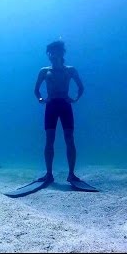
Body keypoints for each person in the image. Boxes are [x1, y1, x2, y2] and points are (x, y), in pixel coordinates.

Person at [34, 40, 84, 186]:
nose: (51, 55)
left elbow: (81, 87)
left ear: (61, 52)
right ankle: (49, 174)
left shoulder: (70, 70)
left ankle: (71, 174)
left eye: (54, 51)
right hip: (51, 106)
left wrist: (74, 99)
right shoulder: (44, 71)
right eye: (49, 52)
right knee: (49, 140)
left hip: (65, 105)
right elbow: (36, 90)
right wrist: (42, 99)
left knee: (69, 138)